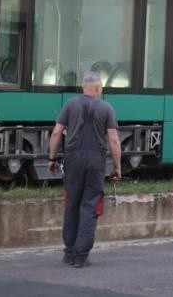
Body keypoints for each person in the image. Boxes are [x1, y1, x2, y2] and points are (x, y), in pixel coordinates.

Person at [48, 71, 122, 268]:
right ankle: (81, 256)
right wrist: (117, 166)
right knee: (90, 205)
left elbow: (56, 133)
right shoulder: (107, 108)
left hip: (72, 160)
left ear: (83, 87)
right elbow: (113, 140)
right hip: (96, 162)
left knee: (72, 203)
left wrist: (52, 158)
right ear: (98, 88)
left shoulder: (70, 104)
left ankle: (69, 252)